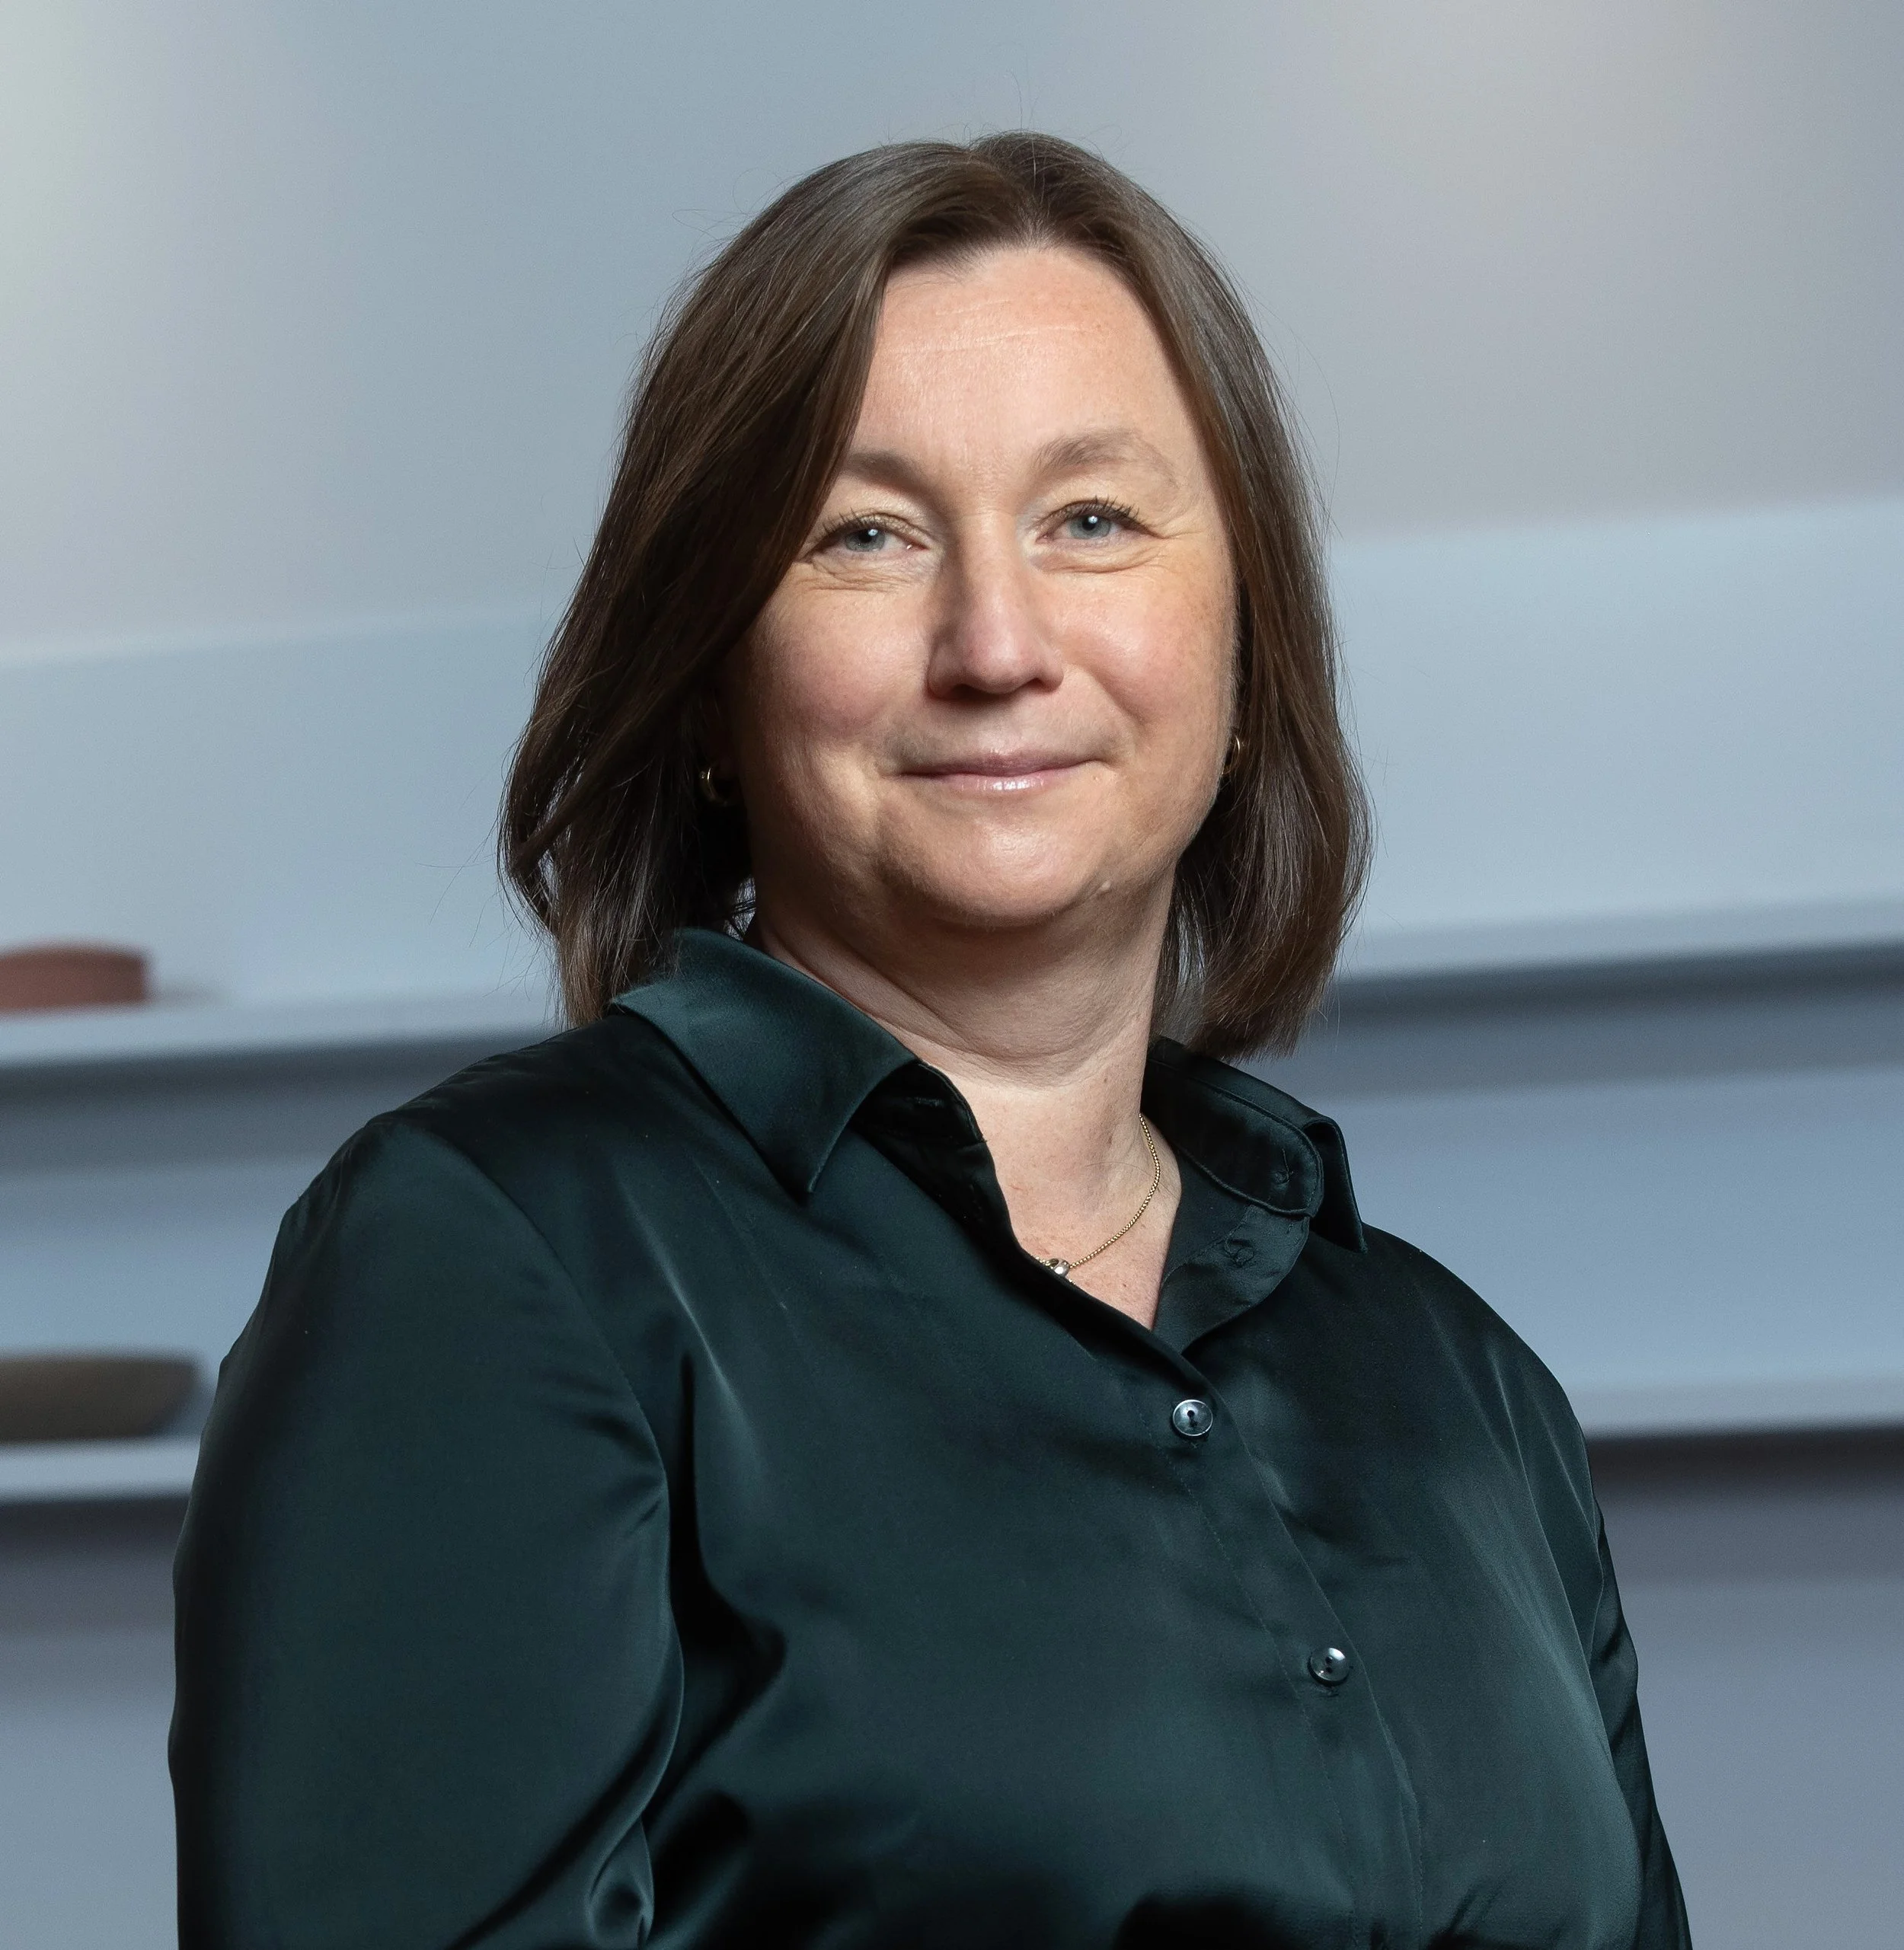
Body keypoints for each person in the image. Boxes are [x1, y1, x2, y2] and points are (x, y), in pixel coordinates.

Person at [171, 133, 1690, 1948]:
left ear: (1240, 645)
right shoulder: (496, 1257)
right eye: (865, 535)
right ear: (710, 679)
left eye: (1091, 519)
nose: (994, 642)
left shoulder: (1463, 1382)